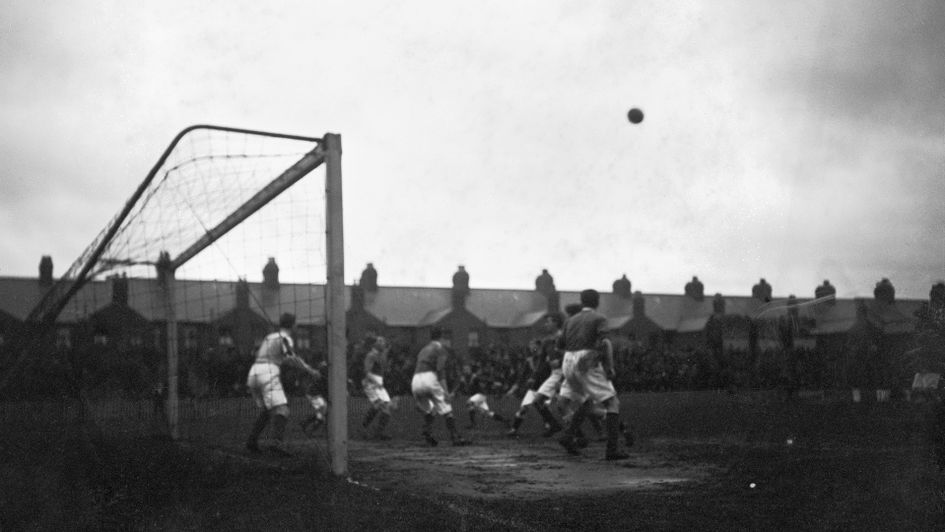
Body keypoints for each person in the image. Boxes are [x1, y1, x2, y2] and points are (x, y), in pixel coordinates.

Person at [558, 289, 630, 460]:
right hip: (586, 359)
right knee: (612, 402)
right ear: (597, 301)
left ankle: (568, 436)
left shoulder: (570, 320)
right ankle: (612, 450)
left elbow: (560, 343)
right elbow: (604, 342)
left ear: (582, 302)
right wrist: (608, 365)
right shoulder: (599, 318)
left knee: (586, 401)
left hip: (568, 360)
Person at [245, 312, 321, 456]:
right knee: (282, 410)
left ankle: (252, 440)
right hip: (268, 372)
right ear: (293, 325)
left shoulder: (270, 337)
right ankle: (275, 445)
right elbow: (291, 359)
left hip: (255, 372)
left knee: (268, 410)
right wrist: (311, 371)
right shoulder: (286, 338)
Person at [507, 313, 568, 437]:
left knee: (573, 405)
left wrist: (561, 361)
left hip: (568, 372)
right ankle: (555, 426)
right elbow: (541, 361)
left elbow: (572, 355)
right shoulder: (546, 342)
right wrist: (533, 377)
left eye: (548, 322)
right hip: (554, 375)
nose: (546, 324)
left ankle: (576, 430)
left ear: (556, 323)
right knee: (539, 402)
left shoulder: (565, 338)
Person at [411, 326, 469, 446]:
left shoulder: (423, 349)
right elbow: (440, 371)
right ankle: (455, 437)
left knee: (431, 410)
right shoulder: (441, 349)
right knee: (447, 409)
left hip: (416, 380)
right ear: (442, 337)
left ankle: (427, 433)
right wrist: (446, 392)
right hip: (429, 378)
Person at [360, 335, 393, 440]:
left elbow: (383, 366)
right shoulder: (371, 355)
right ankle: (367, 430)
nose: (383, 343)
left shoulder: (379, 355)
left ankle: (374, 432)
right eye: (381, 341)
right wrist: (375, 381)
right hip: (371, 384)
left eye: (384, 341)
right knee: (381, 405)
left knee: (385, 407)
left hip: (378, 384)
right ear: (375, 344)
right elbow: (366, 371)